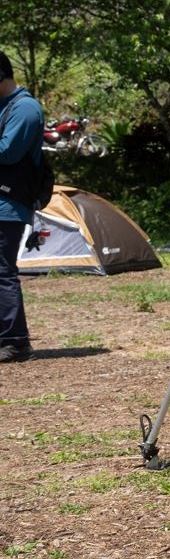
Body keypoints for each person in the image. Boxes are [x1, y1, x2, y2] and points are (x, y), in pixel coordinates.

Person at [0, 51, 44, 364]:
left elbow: (8, 152)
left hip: (8, 205)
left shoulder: (25, 108)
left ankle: (15, 342)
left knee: (1, 272)